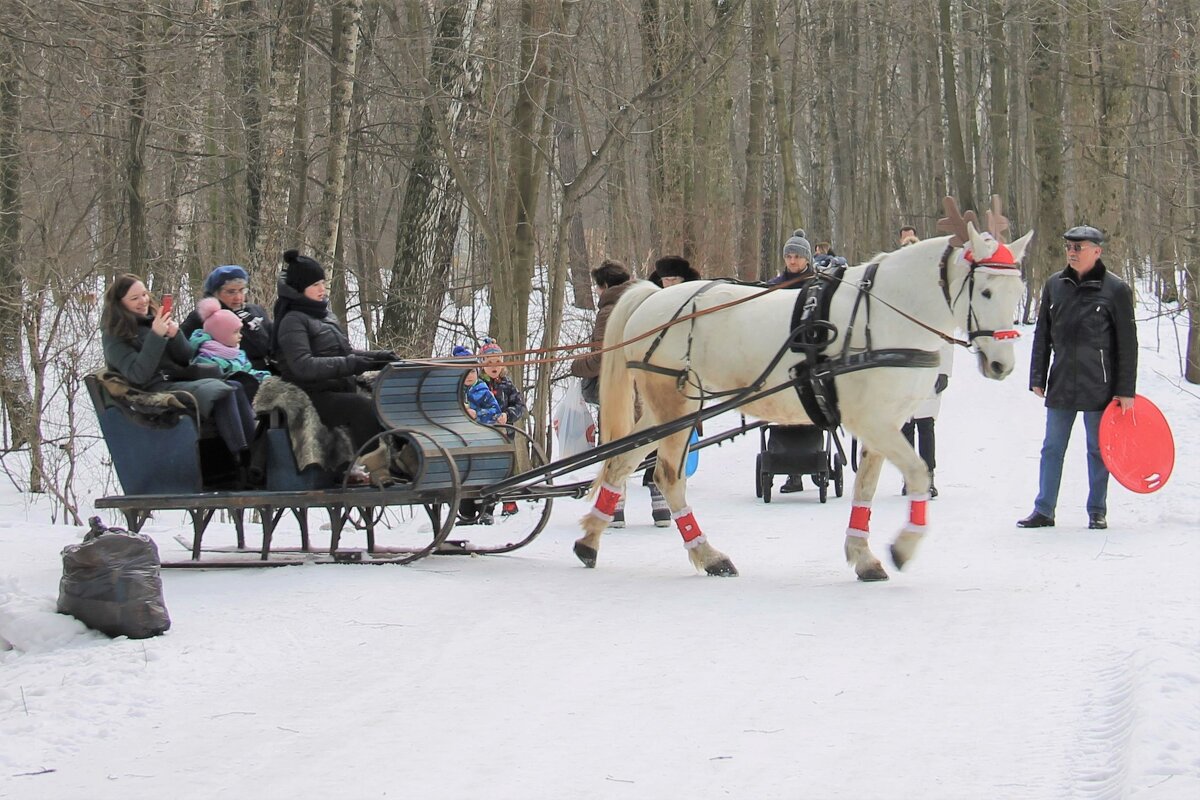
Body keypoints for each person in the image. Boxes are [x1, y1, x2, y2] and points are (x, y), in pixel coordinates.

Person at [1017, 225, 1137, 531]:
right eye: (1069, 247)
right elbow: (1042, 334)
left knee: (1098, 450)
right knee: (1052, 448)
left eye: (1078, 247)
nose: (1072, 252)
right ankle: (1044, 509)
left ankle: (1097, 509)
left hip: (1100, 385)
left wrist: (1125, 390)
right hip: (1061, 382)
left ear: (1097, 251)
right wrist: (1037, 375)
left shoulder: (1116, 289)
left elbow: (1127, 345)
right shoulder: (1055, 285)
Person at [101, 274, 257, 480]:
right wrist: (156, 336)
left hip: (175, 379)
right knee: (221, 391)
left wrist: (175, 335)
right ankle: (241, 461)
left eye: (145, 295)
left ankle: (254, 456)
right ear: (119, 304)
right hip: (150, 389)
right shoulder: (115, 335)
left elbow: (186, 358)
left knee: (236, 386)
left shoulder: (152, 321)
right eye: (135, 298)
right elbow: (138, 374)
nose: (143, 301)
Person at [271, 249, 396, 480]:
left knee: (390, 395)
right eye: (315, 284)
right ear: (299, 288)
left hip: (337, 386)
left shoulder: (325, 316)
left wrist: (380, 357)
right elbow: (303, 366)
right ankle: (375, 468)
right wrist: (352, 364)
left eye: (322, 283)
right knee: (362, 407)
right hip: (310, 395)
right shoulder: (292, 321)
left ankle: (403, 460)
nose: (322, 289)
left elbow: (346, 353)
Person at [570, 259, 635, 525]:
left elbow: (602, 357)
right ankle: (661, 506)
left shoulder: (609, 310)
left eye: (597, 287)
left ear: (605, 285)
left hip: (618, 388)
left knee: (615, 445)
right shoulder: (642, 301)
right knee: (649, 443)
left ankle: (613, 508)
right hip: (644, 386)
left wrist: (577, 366)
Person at [642, 255, 702, 525]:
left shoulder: (694, 303)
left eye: (674, 280)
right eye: (665, 280)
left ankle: (666, 489)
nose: (669, 284)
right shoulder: (652, 305)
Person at [765, 231, 817, 493]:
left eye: (797, 256)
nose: (793, 261)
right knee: (785, 412)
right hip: (781, 356)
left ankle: (815, 456)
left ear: (806, 259)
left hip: (810, 355)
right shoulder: (775, 286)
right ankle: (792, 471)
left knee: (811, 408)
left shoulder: (818, 285)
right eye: (789, 256)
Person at [180, 265, 274, 372]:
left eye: (242, 290)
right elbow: (181, 346)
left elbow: (274, 340)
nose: (238, 297)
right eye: (231, 292)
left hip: (268, 371)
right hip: (235, 374)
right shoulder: (204, 316)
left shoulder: (254, 311)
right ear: (216, 293)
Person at [478, 338, 528, 517]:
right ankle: (487, 507)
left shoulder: (507, 385)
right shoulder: (478, 385)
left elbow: (520, 405)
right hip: (484, 435)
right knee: (488, 470)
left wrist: (508, 414)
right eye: (489, 362)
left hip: (505, 434)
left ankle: (509, 503)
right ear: (482, 364)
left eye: (498, 362)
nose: (494, 366)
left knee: (508, 469)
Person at [189, 297, 271, 401]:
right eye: (235, 332)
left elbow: (247, 371)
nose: (240, 335)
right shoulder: (207, 359)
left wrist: (263, 376)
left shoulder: (237, 354)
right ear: (221, 334)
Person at [901, 343, 952, 498]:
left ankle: (928, 477)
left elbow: (947, 340)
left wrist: (944, 371)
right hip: (902, 371)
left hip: (929, 370)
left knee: (926, 425)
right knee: (905, 426)